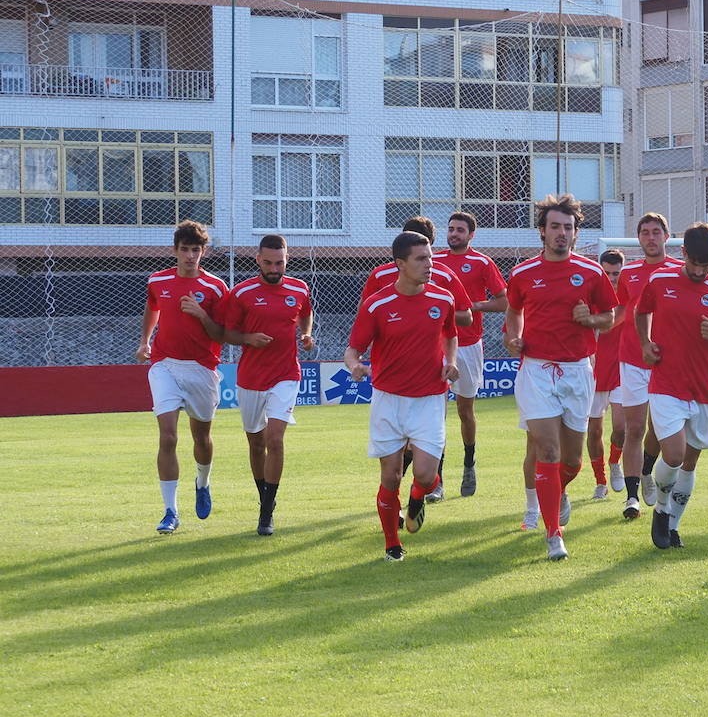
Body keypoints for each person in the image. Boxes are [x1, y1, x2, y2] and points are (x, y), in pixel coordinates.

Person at [344, 231, 472, 561]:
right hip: (388, 400)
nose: (429, 264)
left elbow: (451, 334)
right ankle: (392, 545)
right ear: (400, 264)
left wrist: (452, 362)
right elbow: (353, 349)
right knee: (390, 476)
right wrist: (355, 365)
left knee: (427, 477)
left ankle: (416, 500)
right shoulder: (377, 303)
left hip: (430, 398)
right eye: (420, 259)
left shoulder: (443, 299)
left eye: (429, 257)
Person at [505, 194, 618, 560]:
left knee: (571, 462)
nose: (562, 233)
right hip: (537, 371)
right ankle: (554, 535)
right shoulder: (522, 273)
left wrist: (590, 320)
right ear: (542, 231)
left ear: (574, 233)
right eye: (555, 227)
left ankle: (559, 490)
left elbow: (610, 317)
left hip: (577, 372)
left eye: (568, 228)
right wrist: (513, 336)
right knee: (547, 450)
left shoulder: (591, 272)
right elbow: (514, 311)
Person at [187, 235, 313, 536]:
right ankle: (263, 498)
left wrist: (306, 334)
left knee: (275, 439)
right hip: (251, 379)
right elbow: (224, 333)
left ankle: (266, 511)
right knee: (256, 443)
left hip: (286, 375)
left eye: (280, 262)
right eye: (268, 262)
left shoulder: (299, 288)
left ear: (287, 259)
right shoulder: (242, 293)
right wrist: (248, 339)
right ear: (258, 260)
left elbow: (305, 314)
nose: (274, 268)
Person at [636, 223, 708, 548]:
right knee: (673, 454)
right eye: (695, 263)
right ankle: (661, 510)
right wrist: (645, 344)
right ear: (683, 253)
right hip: (666, 383)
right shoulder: (660, 280)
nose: (700, 271)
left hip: (704, 389)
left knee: (690, 462)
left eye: (707, 264)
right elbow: (641, 311)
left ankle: (673, 526)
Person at [137, 221, 233, 533]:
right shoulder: (158, 280)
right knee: (167, 436)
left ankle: (202, 483)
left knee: (201, 438)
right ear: (175, 251)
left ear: (203, 252)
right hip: (165, 366)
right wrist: (145, 342)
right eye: (185, 249)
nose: (190, 255)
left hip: (202, 369)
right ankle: (170, 511)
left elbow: (223, 332)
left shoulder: (216, 288)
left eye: (196, 250)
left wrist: (201, 314)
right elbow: (153, 308)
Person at [428, 211, 509, 501]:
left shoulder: (482, 262)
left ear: (471, 234)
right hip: (436, 346)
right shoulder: (433, 262)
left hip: (469, 345)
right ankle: (436, 480)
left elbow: (504, 301)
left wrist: (472, 306)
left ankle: (469, 463)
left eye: (460, 230)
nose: (454, 234)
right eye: (451, 229)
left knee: (465, 411)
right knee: (436, 413)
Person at [615, 213, 680, 520]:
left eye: (656, 232)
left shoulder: (681, 270)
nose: (651, 238)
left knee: (659, 429)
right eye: (645, 233)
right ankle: (631, 498)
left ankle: (646, 471)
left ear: (667, 236)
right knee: (634, 428)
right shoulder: (628, 274)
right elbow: (618, 311)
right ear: (638, 238)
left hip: (668, 362)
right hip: (632, 359)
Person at [588, 248, 626, 501]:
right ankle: (600, 481)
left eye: (616, 273)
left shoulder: (627, 296)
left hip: (622, 370)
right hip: (593, 373)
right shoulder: (590, 295)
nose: (611, 278)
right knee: (594, 432)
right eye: (607, 273)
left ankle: (615, 463)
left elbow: (611, 321)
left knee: (622, 428)